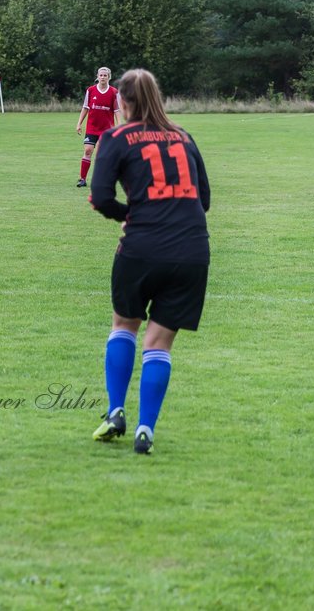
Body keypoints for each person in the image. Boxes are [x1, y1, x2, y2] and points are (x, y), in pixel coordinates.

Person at [88, 68, 211, 455]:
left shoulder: (116, 137)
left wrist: (131, 213)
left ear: (122, 102)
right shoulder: (184, 137)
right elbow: (202, 201)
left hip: (142, 247)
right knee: (159, 343)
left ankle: (115, 412)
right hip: (192, 251)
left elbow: (101, 197)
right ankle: (146, 430)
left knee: (124, 324)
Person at [74, 66, 120, 186]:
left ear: (109, 77)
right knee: (88, 150)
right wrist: (79, 123)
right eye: (101, 75)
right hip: (92, 127)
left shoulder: (114, 92)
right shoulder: (90, 90)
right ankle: (82, 179)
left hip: (107, 129)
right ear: (97, 76)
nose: (103, 77)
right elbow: (85, 108)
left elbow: (117, 111)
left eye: (105, 75)